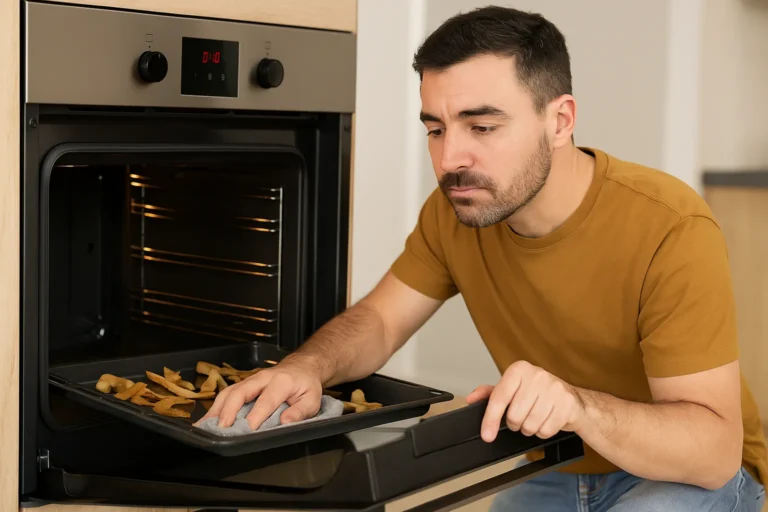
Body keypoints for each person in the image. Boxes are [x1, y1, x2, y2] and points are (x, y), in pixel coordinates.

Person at [200, 5, 768, 510]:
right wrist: (306, 367)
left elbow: (713, 453)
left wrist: (577, 406)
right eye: (436, 128)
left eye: (483, 125)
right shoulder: (456, 209)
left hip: (696, 478)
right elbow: (378, 320)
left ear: (560, 121)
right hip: (559, 463)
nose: (451, 158)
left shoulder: (669, 224)